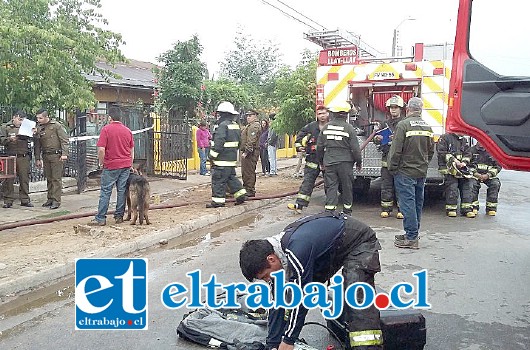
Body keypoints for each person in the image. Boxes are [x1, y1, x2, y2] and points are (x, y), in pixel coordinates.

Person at [239, 211, 383, 350]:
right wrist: (272, 343)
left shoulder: (297, 250)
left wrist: (289, 340)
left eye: (265, 276)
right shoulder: (279, 256)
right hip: (332, 246)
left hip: (359, 241)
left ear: (271, 259)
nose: (267, 280)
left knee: (357, 300)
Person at [388, 97, 434, 249]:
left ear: (407, 109)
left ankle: (412, 237)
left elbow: (395, 151)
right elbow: (431, 151)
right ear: (420, 110)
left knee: (407, 204)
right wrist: (424, 165)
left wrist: (392, 167)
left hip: (405, 172)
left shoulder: (403, 125)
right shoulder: (427, 127)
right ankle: (412, 233)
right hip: (420, 171)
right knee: (416, 204)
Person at [88, 107, 134, 226]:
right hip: (125, 165)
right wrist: (130, 164)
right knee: (122, 190)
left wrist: (102, 162)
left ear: (110, 118)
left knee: (105, 191)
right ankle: (119, 216)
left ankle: (100, 218)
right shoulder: (128, 131)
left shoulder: (106, 130)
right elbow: (131, 150)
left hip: (111, 165)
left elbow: (101, 150)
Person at [316, 102, 361, 214]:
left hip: (330, 162)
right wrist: (358, 162)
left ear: (333, 114)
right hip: (345, 163)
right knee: (347, 187)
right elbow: (355, 149)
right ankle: (347, 212)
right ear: (346, 114)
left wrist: (321, 162)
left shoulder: (326, 128)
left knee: (331, 187)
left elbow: (319, 148)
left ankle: (330, 212)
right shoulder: (349, 128)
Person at [287, 105, 329, 212]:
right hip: (313, 159)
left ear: (328, 114)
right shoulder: (311, 127)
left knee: (330, 184)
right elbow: (299, 137)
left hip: (328, 159)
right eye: (320, 114)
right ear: (317, 115)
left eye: (324, 113)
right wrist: (299, 146)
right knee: (307, 183)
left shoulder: (332, 126)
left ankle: (330, 208)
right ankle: (299, 205)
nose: (322, 116)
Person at [207, 101, 247, 208]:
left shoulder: (222, 126)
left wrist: (211, 156)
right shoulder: (235, 126)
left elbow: (219, 143)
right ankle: (241, 195)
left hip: (221, 160)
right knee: (231, 178)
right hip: (231, 159)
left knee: (218, 180)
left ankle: (218, 201)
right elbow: (239, 142)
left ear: (223, 114)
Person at [373, 95, 404, 219]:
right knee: (386, 185)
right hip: (386, 160)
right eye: (391, 107)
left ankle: (401, 210)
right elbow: (376, 139)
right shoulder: (384, 124)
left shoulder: (404, 123)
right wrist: (377, 139)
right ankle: (386, 209)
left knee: (401, 186)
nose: (393, 110)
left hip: (401, 161)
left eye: (396, 107)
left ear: (401, 109)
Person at [34, 109, 69, 209]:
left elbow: (64, 140)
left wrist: (64, 153)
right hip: (46, 155)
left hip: (56, 155)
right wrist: (37, 158)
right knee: (49, 178)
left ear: (46, 117)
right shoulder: (38, 128)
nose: (38, 120)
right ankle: (50, 198)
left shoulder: (56, 126)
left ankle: (56, 200)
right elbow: (37, 145)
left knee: (56, 179)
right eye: (37, 118)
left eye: (40, 118)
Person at [0, 111, 35, 208]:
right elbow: (1, 140)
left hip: (23, 156)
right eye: (19, 120)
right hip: (10, 155)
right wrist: (10, 139)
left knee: (24, 178)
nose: (20, 123)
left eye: (22, 121)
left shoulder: (26, 128)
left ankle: (25, 199)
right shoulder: (5, 127)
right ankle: (8, 200)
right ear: (14, 117)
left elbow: (34, 139)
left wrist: (34, 132)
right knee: (9, 179)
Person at [436, 133, 476, 218]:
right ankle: (451, 209)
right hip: (448, 168)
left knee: (467, 186)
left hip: (461, 169)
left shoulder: (464, 140)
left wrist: (464, 163)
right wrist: (454, 161)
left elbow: (468, 153)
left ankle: (467, 209)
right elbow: (442, 152)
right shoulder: (444, 138)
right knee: (452, 186)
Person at [470, 142, 501, 216]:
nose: (481, 143)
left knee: (495, 184)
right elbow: (467, 165)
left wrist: (488, 175)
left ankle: (491, 208)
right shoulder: (471, 151)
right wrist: (475, 174)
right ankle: (474, 207)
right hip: (475, 175)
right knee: (471, 184)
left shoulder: (493, 152)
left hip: (489, 175)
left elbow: (498, 166)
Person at [240, 109, 262, 197]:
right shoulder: (250, 125)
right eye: (247, 116)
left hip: (251, 152)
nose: (248, 117)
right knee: (246, 171)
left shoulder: (254, 126)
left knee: (249, 171)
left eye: (250, 116)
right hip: (249, 151)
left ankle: (250, 189)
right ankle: (247, 188)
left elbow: (251, 140)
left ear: (255, 116)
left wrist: (246, 152)